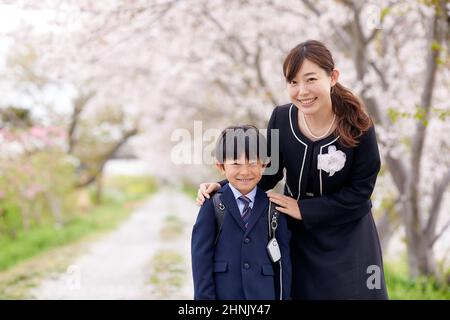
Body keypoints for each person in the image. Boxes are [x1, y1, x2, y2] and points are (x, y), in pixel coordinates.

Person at [196, 40, 388, 299]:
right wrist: (222, 186)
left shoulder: (359, 125)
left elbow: (361, 192)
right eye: (293, 82)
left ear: (333, 77)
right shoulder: (281, 118)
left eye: (310, 79)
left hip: (348, 239)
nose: (302, 91)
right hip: (298, 237)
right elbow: (267, 173)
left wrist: (304, 209)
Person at [191, 125, 292, 300]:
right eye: (236, 163)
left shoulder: (274, 208)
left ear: (264, 165)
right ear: (221, 167)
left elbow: (283, 264)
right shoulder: (213, 205)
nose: (245, 171)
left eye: (253, 162)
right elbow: (201, 260)